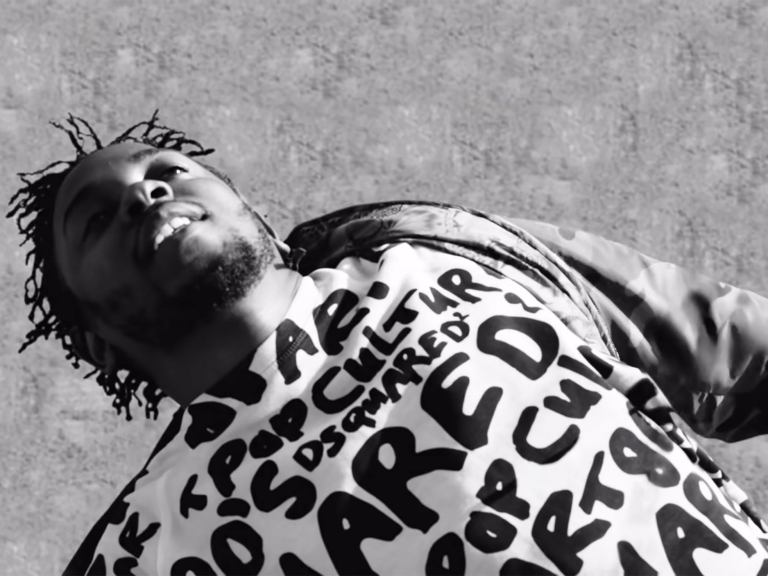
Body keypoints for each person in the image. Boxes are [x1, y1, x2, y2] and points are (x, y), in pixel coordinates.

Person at [10, 112, 768, 576]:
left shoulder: (439, 250)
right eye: (96, 221)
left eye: (170, 169)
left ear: (255, 212)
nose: (146, 192)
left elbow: (730, 346)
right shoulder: (142, 549)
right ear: (95, 344)